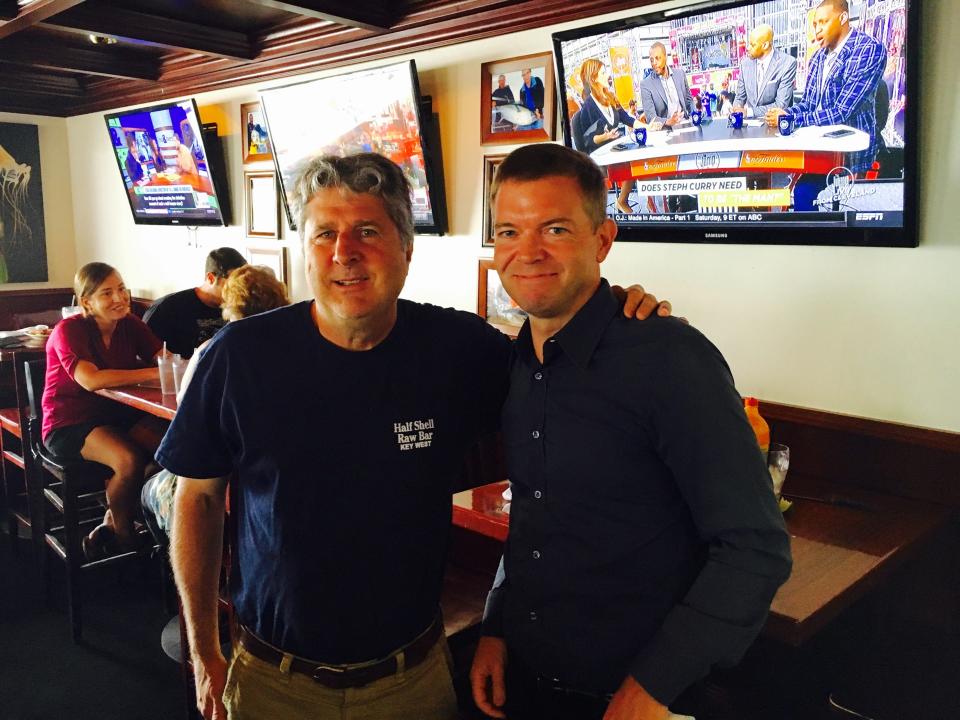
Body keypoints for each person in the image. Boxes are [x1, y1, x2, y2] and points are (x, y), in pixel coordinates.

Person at [157, 152, 671, 720]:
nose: (343, 252)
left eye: (367, 231)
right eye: (323, 232)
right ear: (304, 250)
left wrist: (624, 320)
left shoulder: (460, 349)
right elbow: (197, 499)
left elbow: (564, 380)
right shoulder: (238, 357)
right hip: (275, 682)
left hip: (412, 681)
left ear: (406, 249)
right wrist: (205, 649)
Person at [469, 143, 792, 720]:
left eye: (556, 229)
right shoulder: (515, 364)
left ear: (602, 240)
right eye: (510, 232)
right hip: (528, 681)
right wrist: (496, 624)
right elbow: (535, 518)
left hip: (635, 698)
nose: (528, 251)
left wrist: (653, 686)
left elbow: (754, 548)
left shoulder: (669, 359)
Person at [140, 264, 289, 546]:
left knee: (149, 487)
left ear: (230, 304)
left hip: (226, 474)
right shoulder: (295, 342)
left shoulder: (214, 348)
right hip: (275, 477)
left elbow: (187, 406)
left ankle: (169, 567)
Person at [42, 262, 168, 560]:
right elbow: (91, 380)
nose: (119, 298)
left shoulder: (130, 323)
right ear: (87, 301)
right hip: (68, 422)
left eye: (122, 289)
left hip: (115, 414)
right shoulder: (68, 330)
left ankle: (113, 517)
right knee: (129, 459)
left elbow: (165, 359)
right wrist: (150, 373)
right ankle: (127, 541)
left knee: (171, 446)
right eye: (107, 293)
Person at [766, 0, 885, 174]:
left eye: (823, 22)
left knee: (804, 194)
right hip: (816, 149)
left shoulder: (868, 49)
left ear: (843, 18)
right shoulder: (817, 58)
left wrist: (791, 121)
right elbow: (808, 104)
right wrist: (786, 113)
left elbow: (841, 111)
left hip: (850, 158)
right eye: (815, 24)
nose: (817, 30)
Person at [143, 246, 247, 358]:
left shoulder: (241, 306)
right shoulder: (166, 309)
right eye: (233, 283)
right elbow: (148, 356)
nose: (239, 290)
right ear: (211, 278)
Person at [576, 58, 649, 214]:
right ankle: (621, 201)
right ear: (594, 78)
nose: (607, 75)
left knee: (637, 156)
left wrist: (648, 127)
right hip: (599, 155)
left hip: (615, 148)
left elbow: (627, 119)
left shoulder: (610, 97)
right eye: (603, 73)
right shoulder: (589, 105)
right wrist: (605, 137)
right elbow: (587, 139)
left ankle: (622, 200)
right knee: (631, 161)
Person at [732, 24, 797, 118]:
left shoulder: (788, 63)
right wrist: (737, 109)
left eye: (753, 45)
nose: (748, 48)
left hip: (775, 126)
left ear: (765, 45)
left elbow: (780, 105)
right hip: (749, 129)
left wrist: (748, 112)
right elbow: (739, 97)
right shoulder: (745, 64)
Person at [639, 42, 694, 128]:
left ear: (665, 57)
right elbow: (651, 118)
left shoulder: (680, 74)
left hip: (685, 124)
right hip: (664, 130)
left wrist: (694, 114)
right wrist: (669, 122)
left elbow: (689, 101)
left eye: (657, 58)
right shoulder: (645, 85)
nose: (654, 63)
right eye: (651, 60)